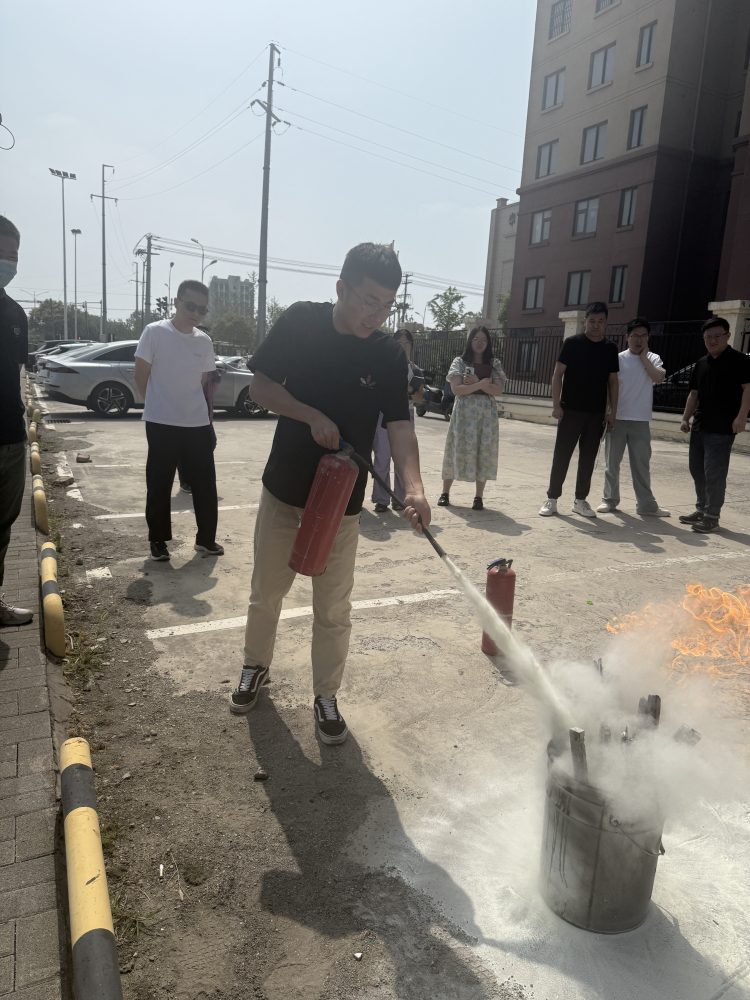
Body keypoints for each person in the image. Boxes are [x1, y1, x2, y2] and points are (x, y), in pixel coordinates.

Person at [231, 243, 431, 745]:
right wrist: (310, 415)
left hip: (342, 501)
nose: (376, 314)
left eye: (387, 305)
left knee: (334, 607)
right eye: (368, 300)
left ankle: (326, 695)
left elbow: (401, 427)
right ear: (341, 288)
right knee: (267, 592)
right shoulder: (301, 321)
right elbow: (259, 387)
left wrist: (415, 488)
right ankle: (255, 666)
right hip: (285, 487)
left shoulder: (387, 354)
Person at [134, 281, 224, 561]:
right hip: (161, 422)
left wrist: (203, 416)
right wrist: (157, 403)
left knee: (205, 483)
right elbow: (141, 374)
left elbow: (204, 381)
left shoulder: (204, 341)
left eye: (202, 309)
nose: (196, 313)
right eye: (190, 306)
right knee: (159, 482)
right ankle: (158, 540)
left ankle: (206, 540)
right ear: (176, 302)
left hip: (197, 423)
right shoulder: (155, 332)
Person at [539, 302, 619, 519]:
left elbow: (613, 382)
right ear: (585, 321)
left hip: (596, 414)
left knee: (588, 458)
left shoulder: (610, 349)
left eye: (600, 321)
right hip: (570, 411)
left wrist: (612, 411)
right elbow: (557, 375)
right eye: (592, 321)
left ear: (605, 323)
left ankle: (580, 501)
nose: (596, 325)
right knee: (562, 455)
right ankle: (552, 499)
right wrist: (556, 405)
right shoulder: (572, 344)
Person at [678, 316, 750, 534]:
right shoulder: (701, 363)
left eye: (717, 336)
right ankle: (702, 509)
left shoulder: (740, 361)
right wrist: (685, 418)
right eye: (708, 337)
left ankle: (712, 516)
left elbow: (748, 389)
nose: (712, 340)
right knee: (697, 470)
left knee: (714, 473)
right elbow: (694, 393)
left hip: (723, 427)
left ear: (728, 336)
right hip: (700, 425)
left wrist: (741, 417)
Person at [597, 318, 671, 517]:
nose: (639, 340)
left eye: (643, 336)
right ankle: (609, 500)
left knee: (641, 465)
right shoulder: (618, 359)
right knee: (612, 464)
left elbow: (659, 377)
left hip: (640, 421)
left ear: (648, 338)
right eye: (635, 335)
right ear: (627, 337)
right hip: (617, 418)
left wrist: (644, 358)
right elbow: (608, 386)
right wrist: (608, 412)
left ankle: (646, 505)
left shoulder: (653, 358)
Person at [0, 216, 33, 627]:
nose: (7, 262)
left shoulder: (14, 313)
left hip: (10, 437)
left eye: (13, 255)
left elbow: (18, 374)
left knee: (3, 527)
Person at [438, 326, 506, 510]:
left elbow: (498, 389)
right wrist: (482, 384)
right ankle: (445, 493)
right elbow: (457, 389)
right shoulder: (460, 362)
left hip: (486, 416)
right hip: (464, 414)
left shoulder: (494, 363)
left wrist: (475, 383)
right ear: (470, 341)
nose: (479, 343)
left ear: (488, 342)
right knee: (455, 449)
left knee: (483, 451)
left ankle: (478, 497)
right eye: (476, 339)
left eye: (483, 339)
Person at [371, 328, 424, 512]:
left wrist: (408, 391)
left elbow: (419, 397)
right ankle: (381, 498)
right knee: (382, 458)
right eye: (399, 342)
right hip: (383, 415)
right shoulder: (383, 366)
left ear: (412, 346)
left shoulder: (416, 370)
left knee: (404, 459)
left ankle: (401, 499)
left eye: (406, 343)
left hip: (406, 414)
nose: (403, 346)